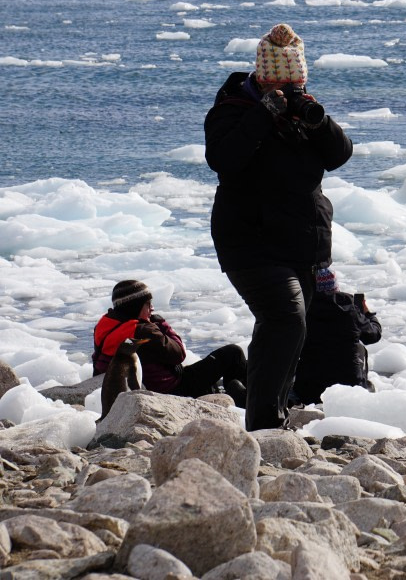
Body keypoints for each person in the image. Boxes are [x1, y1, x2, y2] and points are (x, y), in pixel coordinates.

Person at [204, 23, 353, 430]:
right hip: (249, 241)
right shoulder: (232, 109)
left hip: (302, 243)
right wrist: (262, 114)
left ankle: (272, 417)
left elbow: (340, 154)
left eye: (295, 84)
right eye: (280, 86)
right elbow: (223, 159)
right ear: (263, 79)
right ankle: (264, 425)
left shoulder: (304, 113)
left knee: (290, 332)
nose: (288, 93)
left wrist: (317, 119)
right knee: (285, 319)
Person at [92, 280, 248, 405]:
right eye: (148, 304)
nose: (152, 309)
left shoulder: (105, 326)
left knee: (212, 375)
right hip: (173, 389)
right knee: (233, 353)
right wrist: (161, 324)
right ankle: (241, 401)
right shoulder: (144, 331)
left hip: (146, 384)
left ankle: (225, 393)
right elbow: (179, 353)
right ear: (135, 307)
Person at [290, 268, 382, 406]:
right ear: (335, 286)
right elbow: (373, 335)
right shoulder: (349, 309)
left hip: (309, 391)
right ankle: (364, 387)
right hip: (349, 388)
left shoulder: (302, 311)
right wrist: (368, 314)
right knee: (359, 349)